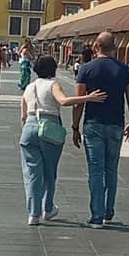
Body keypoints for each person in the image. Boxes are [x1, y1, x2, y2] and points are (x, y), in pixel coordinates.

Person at [20, 56, 107, 225]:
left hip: (29, 128)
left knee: (32, 173)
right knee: (49, 171)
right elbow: (63, 101)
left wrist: (27, 127)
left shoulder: (29, 87)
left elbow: (23, 113)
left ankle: (33, 213)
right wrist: (88, 98)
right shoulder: (53, 84)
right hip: (49, 127)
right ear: (52, 69)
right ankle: (48, 208)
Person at [73, 31, 129, 229]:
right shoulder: (125, 70)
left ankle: (97, 216)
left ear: (95, 47)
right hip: (115, 124)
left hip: (93, 123)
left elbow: (79, 102)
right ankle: (109, 211)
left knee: (95, 169)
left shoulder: (86, 69)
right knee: (111, 168)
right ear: (114, 48)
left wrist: (75, 127)